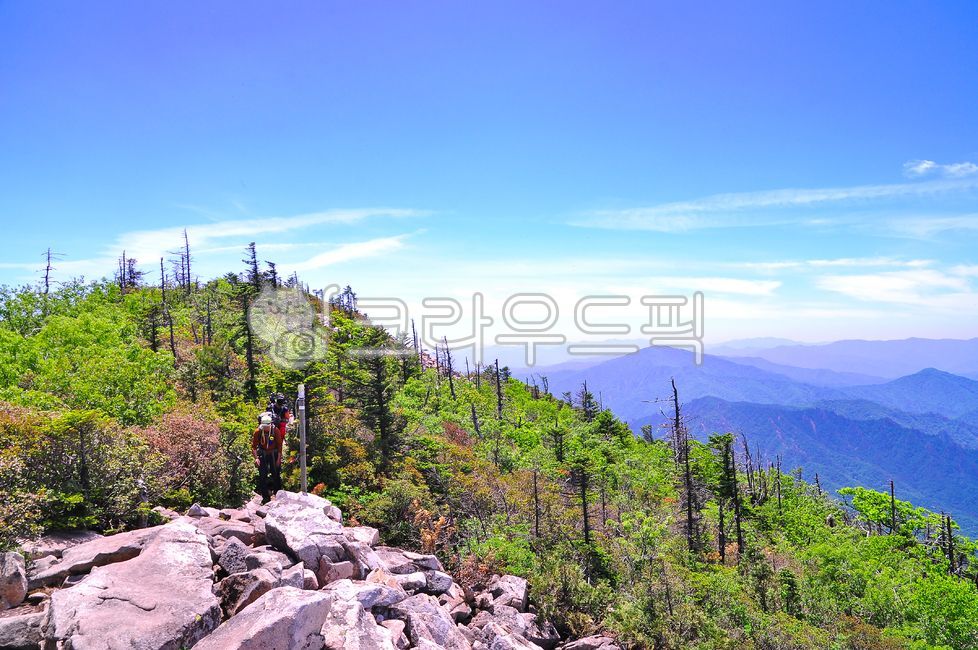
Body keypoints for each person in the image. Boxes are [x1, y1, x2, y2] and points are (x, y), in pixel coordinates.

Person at [252, 411, 283, 503]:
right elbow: (254, 446)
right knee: (262, 476)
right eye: (264, 426)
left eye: (267, 426)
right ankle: (265, 497)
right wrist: (256, 458)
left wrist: (278, 459)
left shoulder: (275, 431)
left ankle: (278, 494)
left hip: (274, 454)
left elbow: (280, 445)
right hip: (263, 454)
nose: (266, 428)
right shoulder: (258, 432)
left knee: (276, 474)